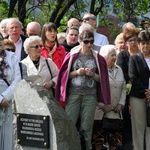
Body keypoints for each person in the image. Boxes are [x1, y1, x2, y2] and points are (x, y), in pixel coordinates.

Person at [55, 30, 111, 150]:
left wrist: (92, 74)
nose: (89, 44)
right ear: (80, 41)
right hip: (73, 94)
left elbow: (103, 80)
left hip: (90, 96)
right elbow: (64, 76)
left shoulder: (98, 57)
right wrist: (76, 72)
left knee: (86, 127)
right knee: (69, 124)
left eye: (91, 41)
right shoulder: (72, 55)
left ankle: (86, 148)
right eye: (86, 42)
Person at [116, 27, 140, 150]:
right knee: (126, 122)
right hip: (126, 95)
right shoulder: (123, 55)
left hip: (141, 93)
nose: (133, 42)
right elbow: (122, 73)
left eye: (135, 40)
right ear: (126, 42)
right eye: (130, 40)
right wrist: (133, 79)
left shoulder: (143, 54)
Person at [100, 45, 126, 150]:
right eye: (112, 55)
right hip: (101, 113)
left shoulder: (119, 69)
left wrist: (121, 103)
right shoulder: (99, 70)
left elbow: (123, 87)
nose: (115, 57)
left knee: (114, 142)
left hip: (115, 112)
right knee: (100, 141)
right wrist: (102, 105)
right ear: (104, 57)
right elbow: (95, 90)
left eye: (115, 55)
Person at [128, 30, 150, 150]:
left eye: (148, 43)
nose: (145, 46)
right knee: (138, 128)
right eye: (143, 43)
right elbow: (133, 77)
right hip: (138, 97)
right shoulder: (134, 59)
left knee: (149, 128)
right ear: (139, 44)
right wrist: (146, 91)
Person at [0, 32, 21, 150]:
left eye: (0, 39)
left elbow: (17, 79)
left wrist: (5, 97)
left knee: (8, 135)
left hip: (8, 100)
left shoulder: (12, 57)